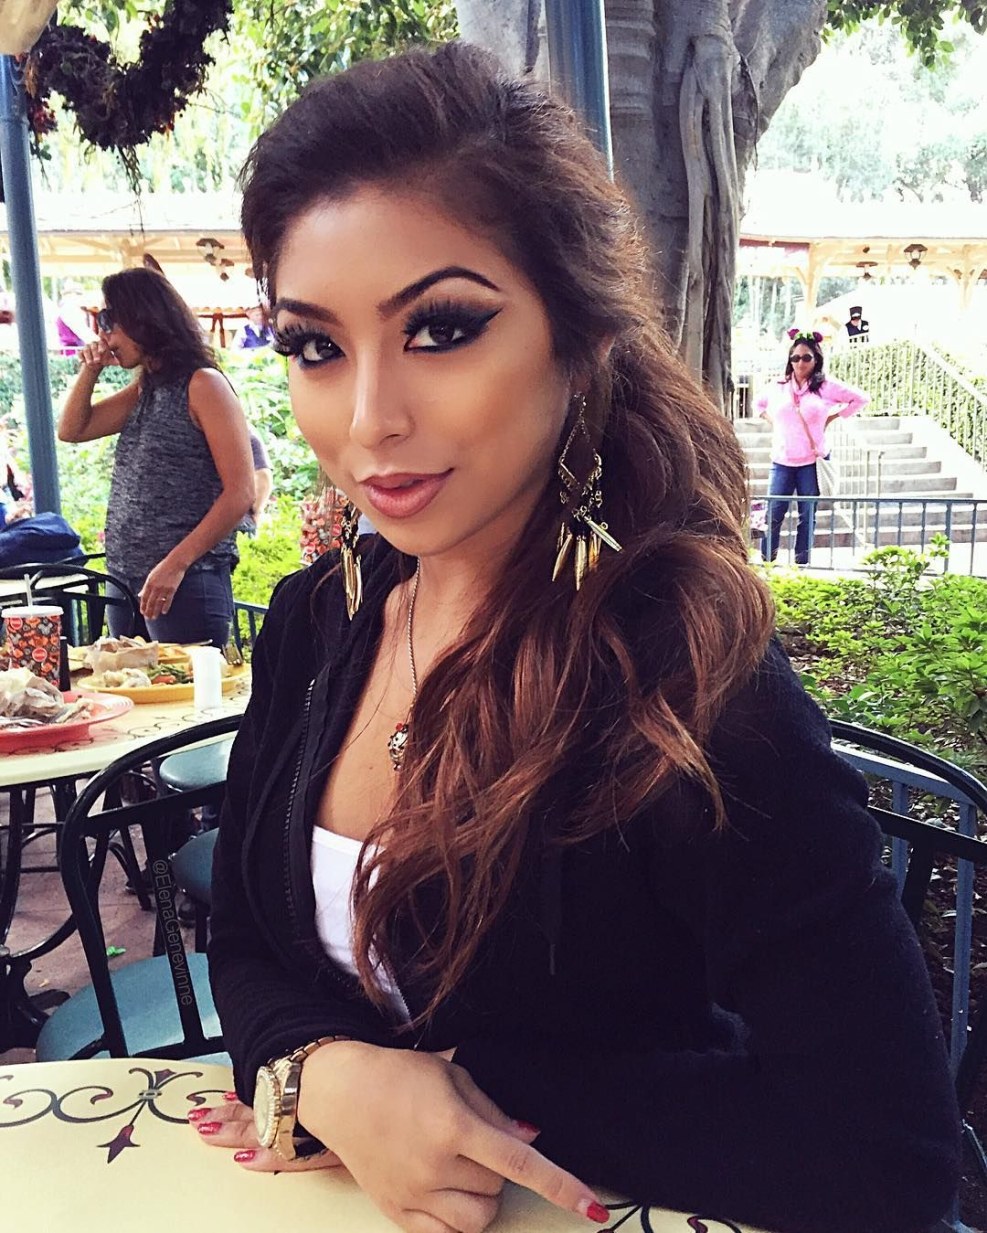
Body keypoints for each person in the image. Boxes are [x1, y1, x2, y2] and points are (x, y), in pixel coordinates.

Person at [194, 43, 960, 1233]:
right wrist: (322, 1074)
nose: (369, 418)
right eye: (316, 346)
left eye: (441, 329)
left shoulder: (686, 684)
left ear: (578, 334)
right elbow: (245, 937)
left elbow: (885, 1152)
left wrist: (473, 1098)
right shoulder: (317, 620)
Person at [57, 268, 254, 646]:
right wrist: (90, 370)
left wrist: (175, 564)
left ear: (142, 318)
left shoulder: (203, 384)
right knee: (130, 682)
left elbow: (241, 492)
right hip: (127, 577)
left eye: (108, 321)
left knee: (186, 684)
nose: (104, 335)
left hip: (186, 580)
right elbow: (73, 430)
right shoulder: (147, 388)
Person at [757, 329, 870, 566]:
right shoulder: (778, 386)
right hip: (782, 460)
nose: (800, 363)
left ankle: (802, 564)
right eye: (795, 358)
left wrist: (833, 417)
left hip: (811, 461)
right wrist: (774, 422)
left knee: (807, 515)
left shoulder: (825, 387)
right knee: (774, 513)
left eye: (806, 357)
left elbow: (861, 399)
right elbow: (758, 404)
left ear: (816, 359)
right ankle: (767, 562)